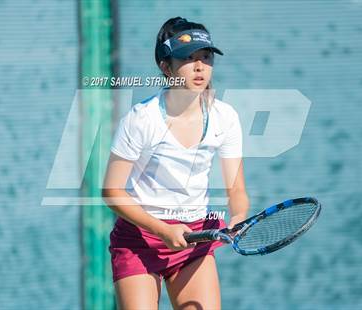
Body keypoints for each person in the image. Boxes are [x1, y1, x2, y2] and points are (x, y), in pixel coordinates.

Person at [102, 16, 250, 310]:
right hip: (140, 240)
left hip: (195, 239)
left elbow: (236, 189)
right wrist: (162, 230)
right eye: (188, 58)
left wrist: (238, 217)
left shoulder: (226, 117)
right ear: (165, 67)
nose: (199, 67)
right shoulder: (141, 119)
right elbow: (111, 191)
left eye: (205, 57)